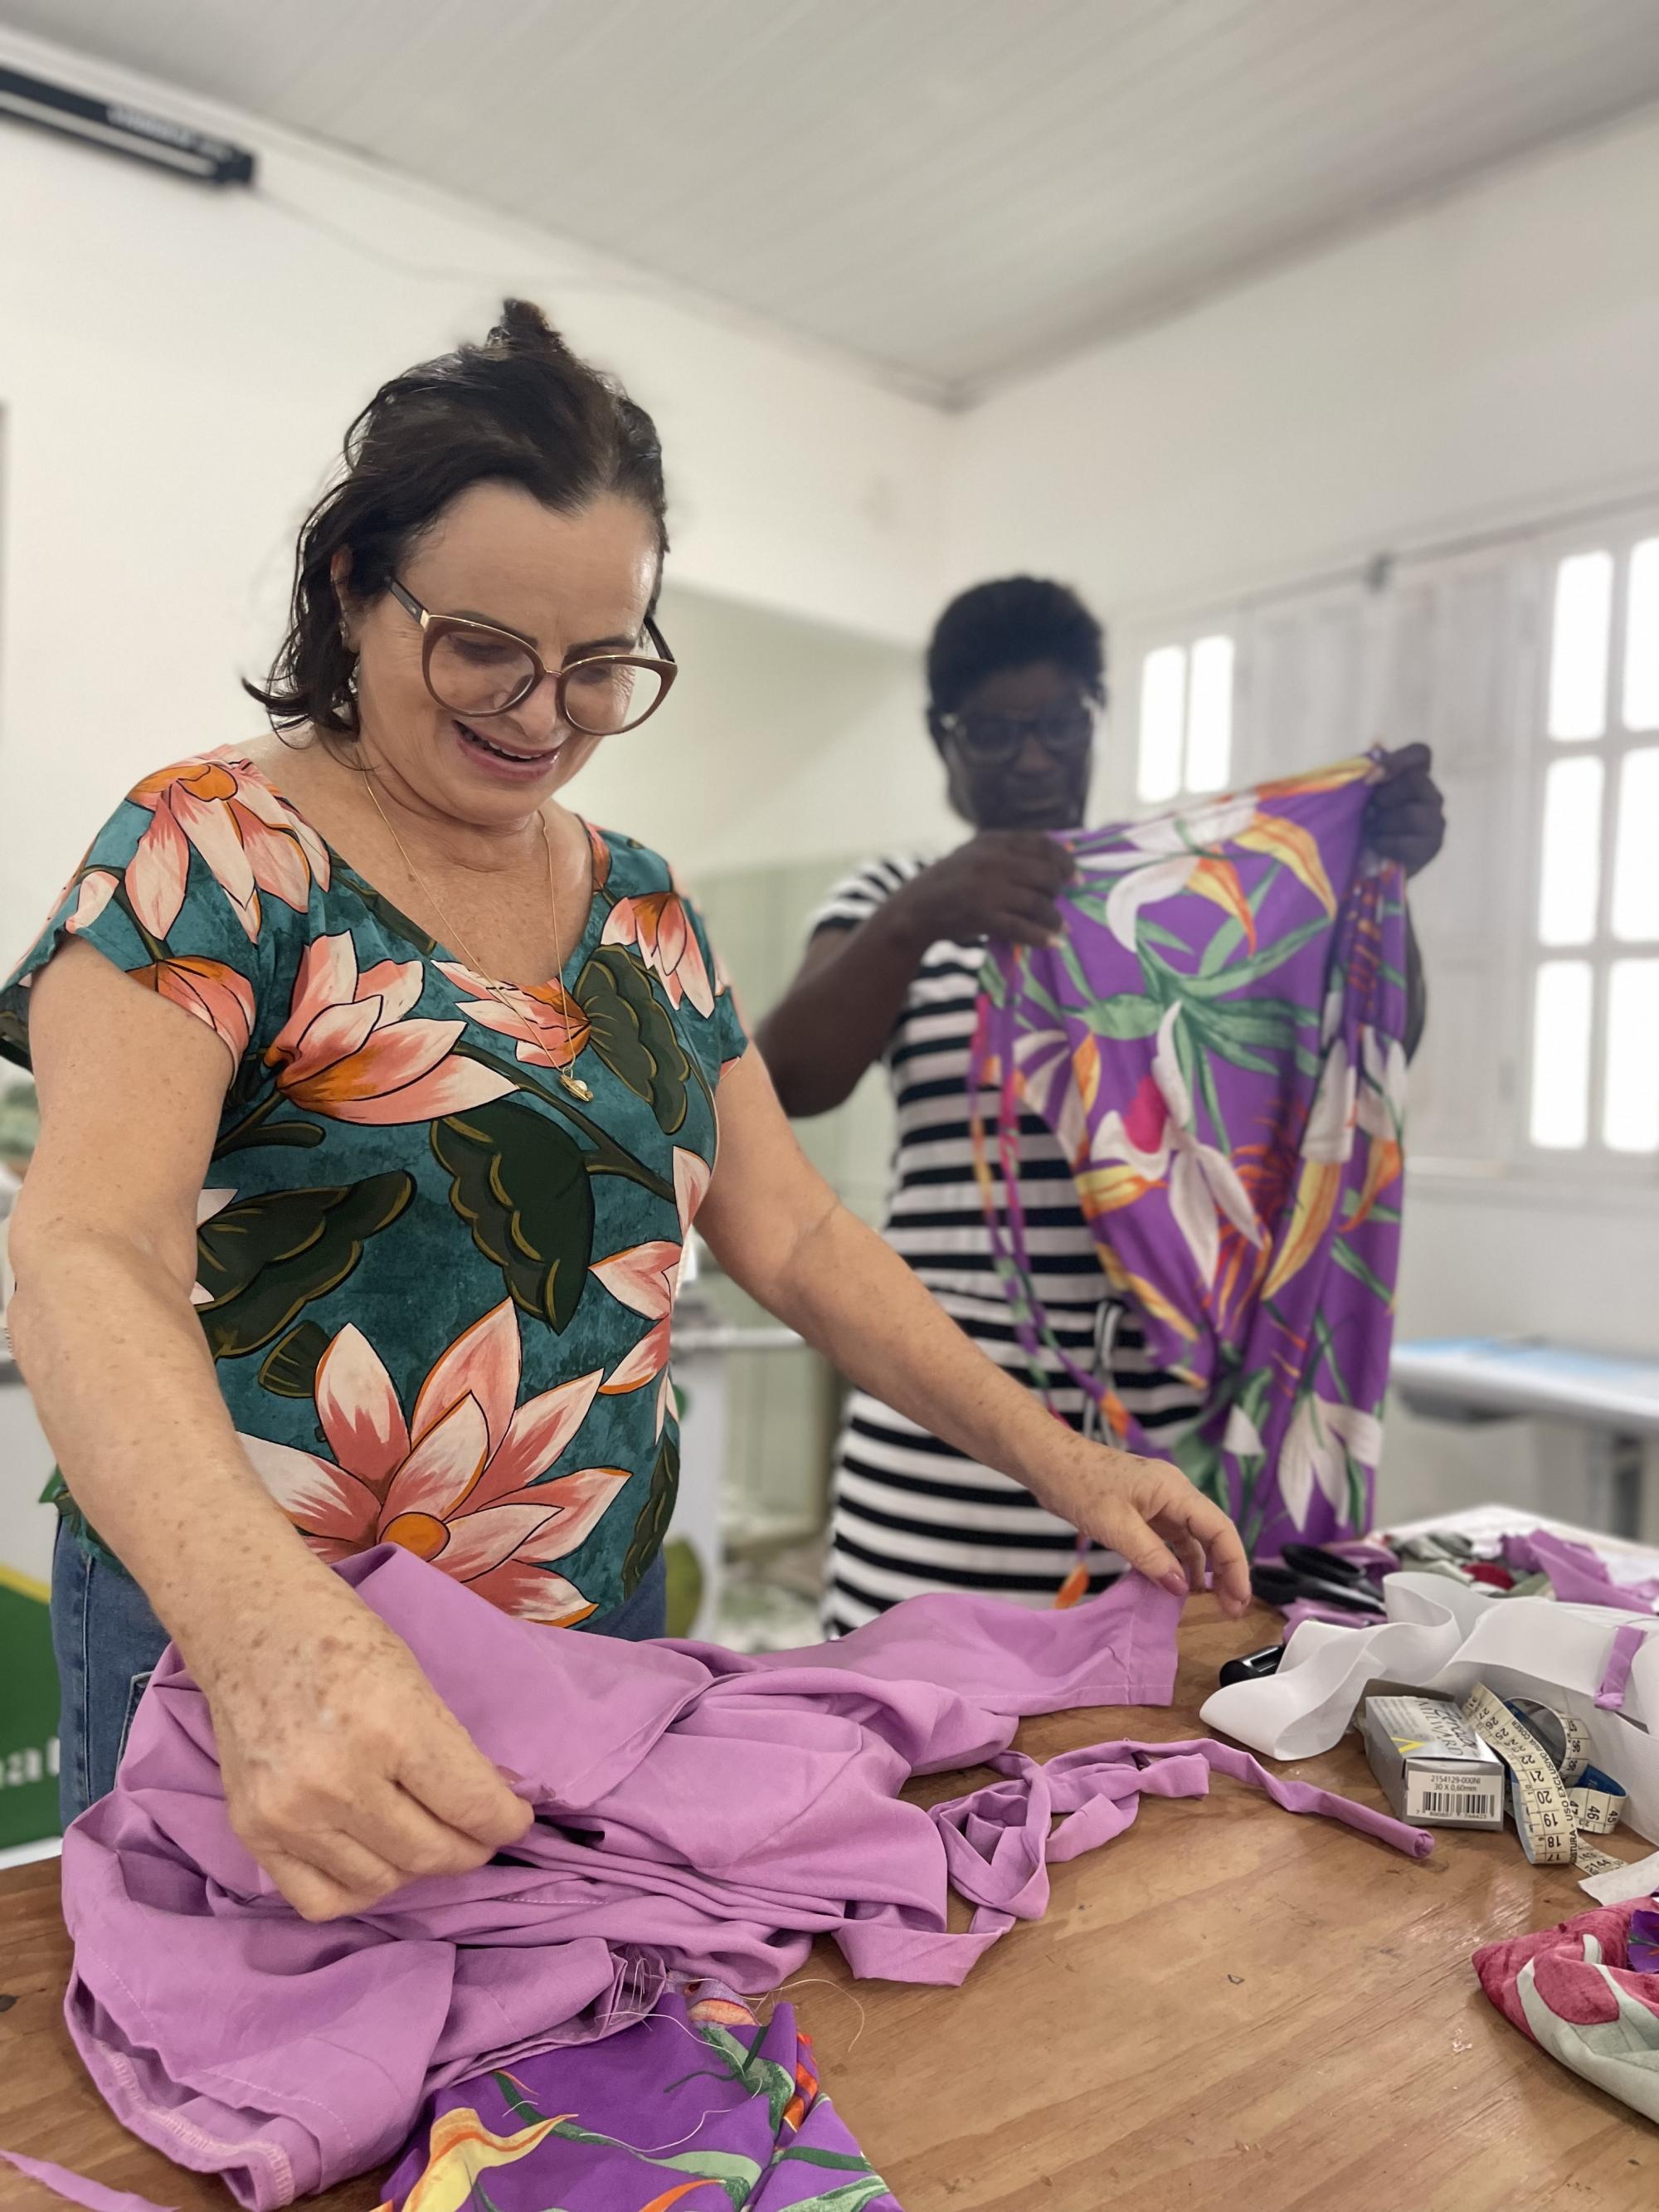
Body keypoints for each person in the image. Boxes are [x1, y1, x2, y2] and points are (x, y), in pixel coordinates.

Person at [1, 310, 1250, 1923]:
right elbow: (86, 1246)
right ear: (353, 594)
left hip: (586, 1634)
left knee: (553, 2081)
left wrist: (1062, 1461)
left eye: (603, 662)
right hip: (249, 1634)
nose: (545, 711)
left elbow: (791, 1231)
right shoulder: (207, 851)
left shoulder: (641, 908)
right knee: (228, 2069)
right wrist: (262, 1635)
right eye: (483, 649)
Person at [757, 577, 1445, 1635]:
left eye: (1055, 724)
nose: (1029, 758)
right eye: (991, 731)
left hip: (1152, 1467)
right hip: (932, 1468)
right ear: (943, 742)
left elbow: (1358, 1049)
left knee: (1130, 1770)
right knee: (896, 1760)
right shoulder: (896, 890)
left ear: (1092, 720)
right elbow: (787, 1081)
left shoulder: (1178, 902)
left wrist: (1370, 877)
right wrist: (919, 915)